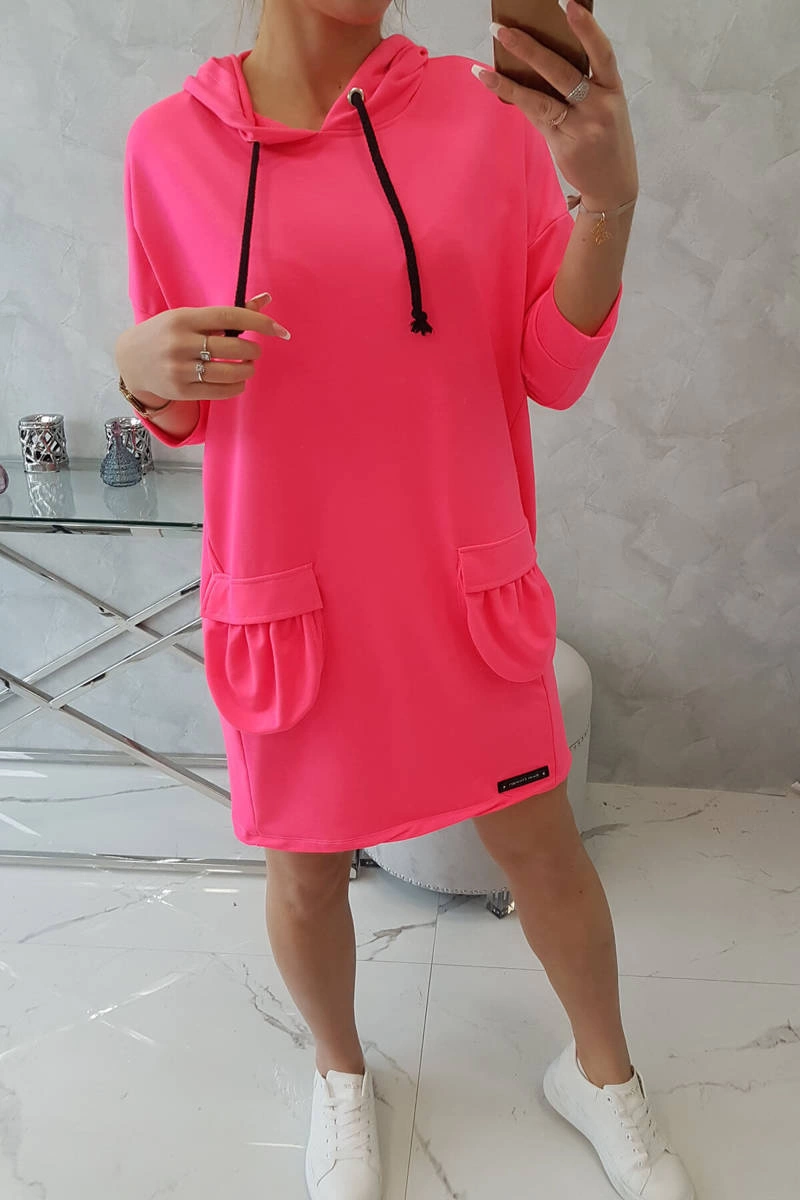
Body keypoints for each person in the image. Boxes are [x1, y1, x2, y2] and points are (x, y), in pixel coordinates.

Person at [115, 2, 694, 1198]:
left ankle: (601, 1075)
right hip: (293, 587)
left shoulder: (483, 118)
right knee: (305, 871)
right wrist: (140, 373)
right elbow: (189, 401)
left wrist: (608, 204)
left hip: (454, 579)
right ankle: (341, 1075)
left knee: (541, 850)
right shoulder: (166, 145)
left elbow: (548, 366)